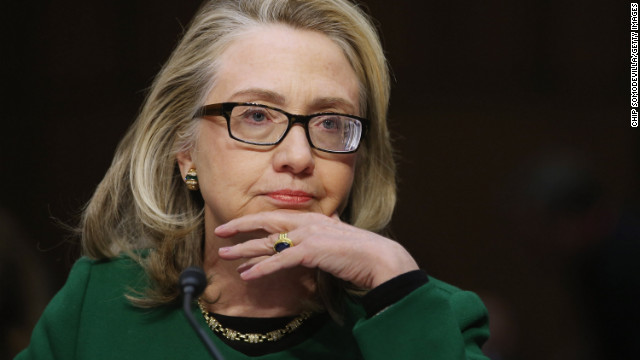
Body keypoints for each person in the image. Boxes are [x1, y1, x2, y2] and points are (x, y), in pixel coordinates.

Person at [17, 0, 489, 358]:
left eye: (330, 122)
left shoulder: (429, 315)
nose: (299, 156)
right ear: (185, 151)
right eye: (257, 115)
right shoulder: (97, 303)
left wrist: (394, 290)